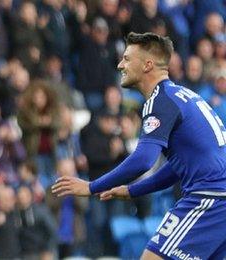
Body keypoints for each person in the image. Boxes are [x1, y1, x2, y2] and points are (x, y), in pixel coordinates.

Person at [52, 32, 226, 259]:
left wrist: (91, 187)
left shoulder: (160, 101)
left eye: (126, 58)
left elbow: (143, 160)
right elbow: (178, 166)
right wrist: (132, 190)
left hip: (209, 198)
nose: (120, 64)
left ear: (147, 65)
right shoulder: (183, 95)